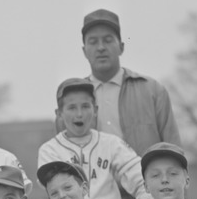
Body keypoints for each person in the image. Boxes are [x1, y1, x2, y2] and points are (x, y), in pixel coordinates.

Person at [39, 78, 152, 199]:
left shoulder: (112, 143)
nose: (79, 114)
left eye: (86, 106)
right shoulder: (49, 150)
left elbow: (144, 179)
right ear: (59, 113)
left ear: (96, 110)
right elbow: (67, 195)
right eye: (72, 107)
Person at [75, 9, 180, 155]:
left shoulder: (153, 92)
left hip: (143, 177)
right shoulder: (72, 100)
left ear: (121, 47)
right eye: (93, 42)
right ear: (84, 51)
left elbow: (174, 151)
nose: (101, 47)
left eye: (108, 40)